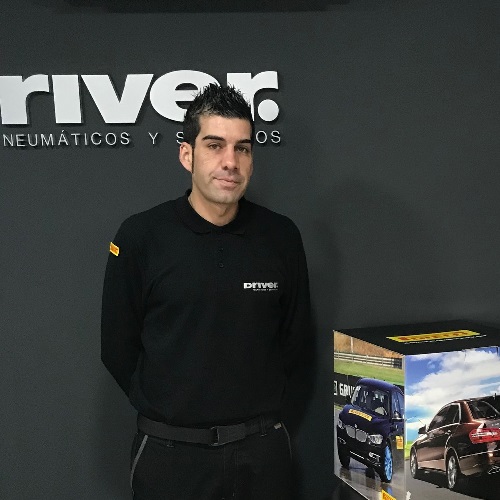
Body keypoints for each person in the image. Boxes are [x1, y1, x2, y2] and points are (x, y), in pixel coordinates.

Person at [101, 83, 311, 500]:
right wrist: (171, 409)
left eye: (242, 148)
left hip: (261, 455)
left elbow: (295, 340)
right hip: (171, 456)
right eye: (215, 145)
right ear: (187, 154)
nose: (230, 161)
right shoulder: (141, 236)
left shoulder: (281, 236)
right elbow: (117, 347)